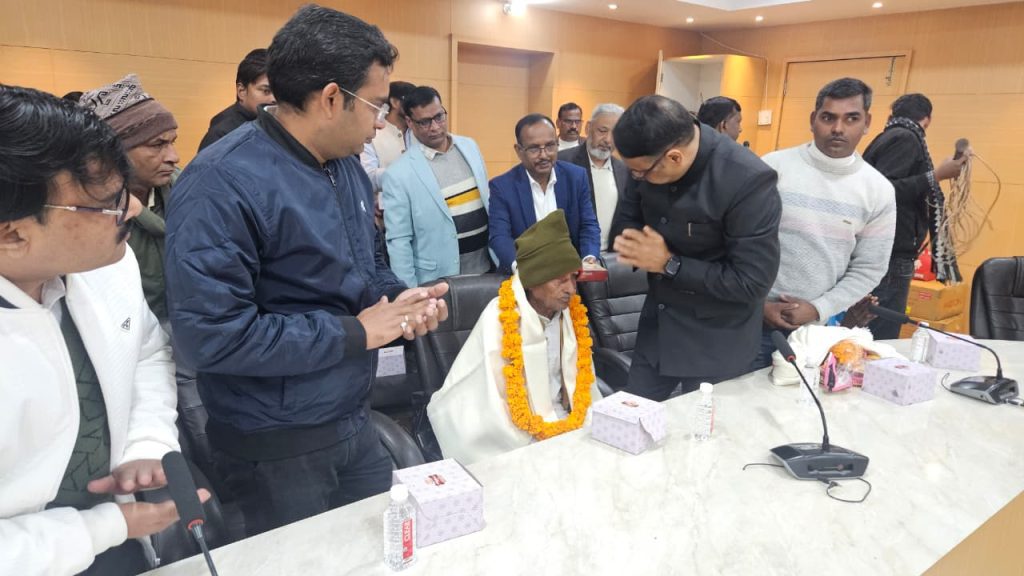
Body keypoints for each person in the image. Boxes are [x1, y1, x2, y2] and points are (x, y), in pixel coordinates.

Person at [164, 5, 448, 537]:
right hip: (275, 445)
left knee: (384, 549)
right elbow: (211, 337)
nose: (382, 122)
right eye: (377, 105)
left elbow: (365, 265)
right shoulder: (220, 184)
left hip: (352, 417)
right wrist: (356, 332)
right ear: (332, 98)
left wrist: (400, 301)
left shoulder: (346, 168)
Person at [0, 85, 196, 575]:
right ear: (13, 233)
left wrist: (145, 443)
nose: (130, 210)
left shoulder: (106, 266)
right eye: (105, 204)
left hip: (115, 537)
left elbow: (145, 349)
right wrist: (100, 528)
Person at [612, 95, 781, 401]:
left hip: (716, 342)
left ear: (674, 157)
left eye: (641, 173)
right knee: (629, 418)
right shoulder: (648, 157)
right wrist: (634, 242)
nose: (637, 178)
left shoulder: (747, 180)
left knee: (704, 429)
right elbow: (628, 220)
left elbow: (752, 282)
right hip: (658, 329)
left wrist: (669, 263)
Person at [428, 210, 602, 464]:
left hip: (568, 421)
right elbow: (489, 404)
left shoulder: (569, 314)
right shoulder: (499, 317)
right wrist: (537, 440)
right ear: (532, 282)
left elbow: (583, 387)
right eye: (560, 280)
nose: (571, 290)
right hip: (517, 432)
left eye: (573, 279)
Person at [752, 78, 895, 369]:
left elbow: (869, 267)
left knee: (804, 399)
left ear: (867, 123)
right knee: (737, 396)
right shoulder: (772, 168)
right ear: (813, 120)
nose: (838, 128)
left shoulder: (878, 190)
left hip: (818, 333)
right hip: (749, 321)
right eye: (828, 117)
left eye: (851, 118)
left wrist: (818, 309)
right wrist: (757, 305)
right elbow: (734, 242)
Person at [862, 93, 968, 339]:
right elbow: (885, 190)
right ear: (927, 120)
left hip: (884, 248)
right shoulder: (906, 138)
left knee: (871, 327)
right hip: (891, 252)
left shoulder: (890, 136)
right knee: (880, 334)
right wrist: (936, 176)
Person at [79, 74, 180, 325]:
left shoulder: (187, 188)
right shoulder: (89, 212)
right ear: (116, 152)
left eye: (172, 142)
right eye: (157, 144)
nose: (173, 156)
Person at [381, 85, 492, 287]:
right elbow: (399, 241)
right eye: (424, 122)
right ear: (409, 122)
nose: (434, 127)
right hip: (439, 282)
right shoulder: (398, 174)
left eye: (439, 117)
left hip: (486, 269)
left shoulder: (469, 146)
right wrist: (409, 292)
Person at [488, 113, 601, 274]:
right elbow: (499, 237)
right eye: (534, 148)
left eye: (550, 146)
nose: (544, 155)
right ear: (519, 151)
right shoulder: (502, 187)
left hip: (570, 275)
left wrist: (588, 258)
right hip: (524, 275)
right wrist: (522, 270)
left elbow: (588, 225)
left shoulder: (576, 177)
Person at [558, 103, 630, 251]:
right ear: (588, 128)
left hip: (611, 257)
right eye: (602, 131)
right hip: (572, 256)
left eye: (615, 134)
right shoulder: (562, 162)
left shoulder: (625, 170)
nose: (608, 140)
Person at [197, 48, 275, 151]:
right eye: (266, 91)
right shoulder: (221, 134)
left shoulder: (273, 123)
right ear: (241, 91)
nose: (274, 99)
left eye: (278, 92)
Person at [361, 80, 415, 198]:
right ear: (395, 102)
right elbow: (367, 177)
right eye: (411, 101)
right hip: (385, 206)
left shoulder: (418, 133)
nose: (415, 106)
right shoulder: (372, 134)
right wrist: (405, 172)